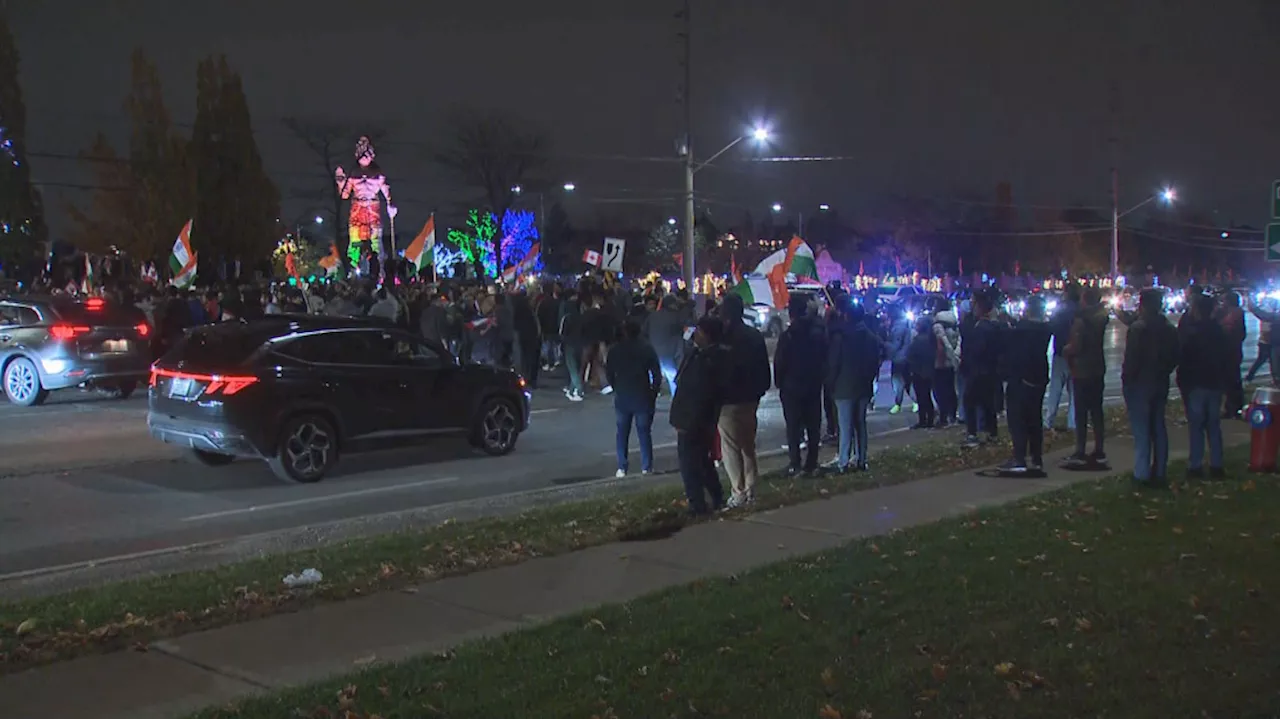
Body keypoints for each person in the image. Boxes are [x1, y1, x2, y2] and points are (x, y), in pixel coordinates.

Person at [1121, 288, 1180, 486]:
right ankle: (1160, 471)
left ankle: (1142, 473)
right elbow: (1174, 356)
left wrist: (1127, 379)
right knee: (1158, 427)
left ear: (1142, 304)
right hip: (1159, 381)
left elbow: (1132, 359)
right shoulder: (1168, 328)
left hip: (1140, 384)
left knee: (1142, 431)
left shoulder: (1139, 329)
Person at [670, 316, 729, 516]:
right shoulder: (700, 355)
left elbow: (696, 394)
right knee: (703, 462)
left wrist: (685, 421)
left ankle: (697, 505)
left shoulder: (708, 361)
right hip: (698, 419)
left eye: (700, 332)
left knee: (690, 464)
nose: (697, 335)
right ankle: (716, 496)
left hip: (693, 421)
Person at [718, 293, 772, 507]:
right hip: (751, 397)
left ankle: (738, 491)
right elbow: (763, 366)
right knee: (748, 444)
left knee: (731, 446)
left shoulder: (724, 337)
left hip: (729, 399)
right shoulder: (754, 335)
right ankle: (751, 487)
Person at [825, 300, 883, 472]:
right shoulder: (871, 337)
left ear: (846, 316)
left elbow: (834, 363)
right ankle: (861, 459)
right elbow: (875, 363)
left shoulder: (840, 337)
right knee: (860, 424)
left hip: (843, 387)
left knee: (845, 426)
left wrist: (830, 383)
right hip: (863, 386)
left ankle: (843, 461)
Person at [774, 294, 826, 476]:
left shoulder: (788, 336)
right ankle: (812, 462)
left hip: (792, 387)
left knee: (793, 427)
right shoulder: (817, 333)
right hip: (812, 385)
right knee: (813, 426)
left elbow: (780, 363)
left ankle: (795, 463)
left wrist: (780, 383)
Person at [999, 295, 1053, 472]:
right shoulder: (1044, 328)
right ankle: (1036, 458)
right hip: (1039, 377)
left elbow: (1011, 340)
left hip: (1021, 378)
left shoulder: (1022, 330)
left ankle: (1019, 458)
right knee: (1034, 418)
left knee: (1018, 419)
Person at [1178, 293, 1229, 480]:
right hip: (1214, 384)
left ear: (1197, 311)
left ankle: (1196, 465)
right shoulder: (1219, 332)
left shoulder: (1192, 334)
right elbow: (1226, 359)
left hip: (1196, 384)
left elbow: (1184, 360)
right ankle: (1217, 465)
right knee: (1214, 426)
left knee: (1197, 426)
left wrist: (1184, 383)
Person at [606, 319, 662, 477]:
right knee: (644, 432)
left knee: (622, 432)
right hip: (642, 394)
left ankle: (622, 466)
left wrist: (616, 387)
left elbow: (609, 372)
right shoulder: (646, 348)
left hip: (623, 395)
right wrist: (653, 391)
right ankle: (646, 466)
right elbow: (656, 374)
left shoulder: (615, 350)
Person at [1063, 287, 1110, 467]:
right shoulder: (1101, 318)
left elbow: (1076, 346)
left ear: (1085, 300)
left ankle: (1080, 450)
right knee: (1097, 411)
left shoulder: (1081, 321)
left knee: (1081, 412)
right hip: (1097, 368)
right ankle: (1099, 449)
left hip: (1081, 369)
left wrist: (1066, 350)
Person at [961, 290, 1003, 448]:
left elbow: (977, 351)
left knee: (970, 401)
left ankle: (972, 434)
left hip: (978, 370)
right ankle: (992, 433)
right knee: (987, 403)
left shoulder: (981, 329)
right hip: (989, 371)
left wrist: (968, 362)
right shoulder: (994, 327)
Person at [1043, 286, 1079, 431]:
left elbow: (1052, 328)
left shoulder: (1060, 311)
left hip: (1060, 354)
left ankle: (1049, 420)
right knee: (1074, 393)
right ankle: (1073, 423)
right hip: (1076, 356)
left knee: (1055, 390)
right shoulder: (1080, 311)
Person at [646, 294, 687, 396]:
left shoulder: (653, 316)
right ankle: (675, 399)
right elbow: (685, 331)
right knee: (673, 377)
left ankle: (649, 396)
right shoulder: (676, 316)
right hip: (669, 353)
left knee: (652, 376)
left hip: (653, 352)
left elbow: (644, 331)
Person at [930, 297, 961, 427]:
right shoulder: (954, 322)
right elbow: (959, 339)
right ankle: (952, 415)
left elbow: (942, 342)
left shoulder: (938, 324)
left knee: (940, 390)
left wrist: (950, 355)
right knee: (951, 389)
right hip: (952, 361)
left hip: (941, 361)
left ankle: (943, 417)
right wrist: (956, 356)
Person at [1216, 291, 1246, 418]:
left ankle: (1233, 408)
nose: (1223, 304)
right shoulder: (1234, 312)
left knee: (1231, 381)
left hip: (1230, 352)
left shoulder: (1235, 313)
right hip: (1232, 352)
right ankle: (1232, 407)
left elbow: (1226, 328)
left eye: (1224, 301)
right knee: (1231, 381)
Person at [906, 315, 937, 429]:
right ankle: (929, 419)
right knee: (926, 396)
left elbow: (910, 355)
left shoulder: (918, 340)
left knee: (921, 397)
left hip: (919, 371)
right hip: (928, 370)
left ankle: (924, 420)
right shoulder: (929, 339)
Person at [885, 305, 915, 415]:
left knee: (898, 382)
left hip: (899, 358)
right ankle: (914, 402)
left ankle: (899, 403)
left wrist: (884, 344)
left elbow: (895, 345)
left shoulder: (898, 326)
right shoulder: (905, 324)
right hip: (905, 357)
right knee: (907, 381)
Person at [559, 290, 586, 402]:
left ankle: (579, 390)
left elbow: (562, 332)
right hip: (581, 343)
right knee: (577, 368)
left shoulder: (566, 317)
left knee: (572, 368)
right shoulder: (581, 317)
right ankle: (572, 389)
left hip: (570, 344)